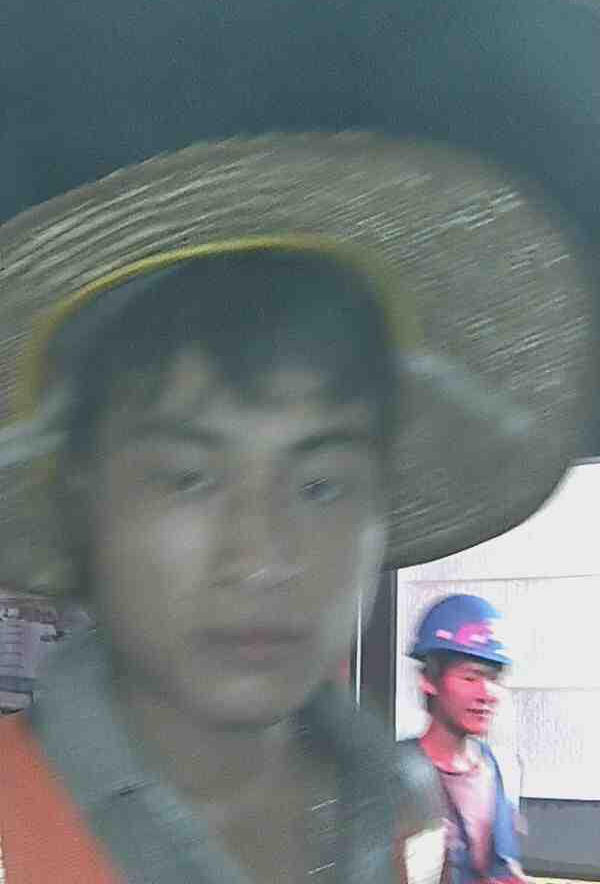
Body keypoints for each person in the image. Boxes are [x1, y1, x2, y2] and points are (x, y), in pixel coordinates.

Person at [0, 132, 582, 882]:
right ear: (83, 495)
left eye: (320, 485)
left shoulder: (400, 812)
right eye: (187, 476)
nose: (263, 558)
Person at [404, 594, 525, 884]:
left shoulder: (504, 769)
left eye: (494, 679)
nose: (487, 694)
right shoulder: (395, 774)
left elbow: (504, 867)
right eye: (471, 677)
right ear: (429, 680)